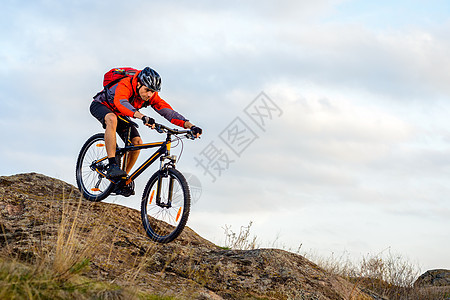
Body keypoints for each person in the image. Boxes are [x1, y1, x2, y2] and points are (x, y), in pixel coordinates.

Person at [90, 67, 202, 192]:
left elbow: (169, 113)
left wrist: (191, 126)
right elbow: (120, 102)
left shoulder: (151, 97)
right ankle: (112, 165)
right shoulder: (126, 84)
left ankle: (121, 179)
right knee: (111, 119)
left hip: (122, 114)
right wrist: (143, 117)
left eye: (152, 91)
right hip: (102, 105)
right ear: (138, 84)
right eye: (147, 90)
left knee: (137, 142)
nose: (149, 94)